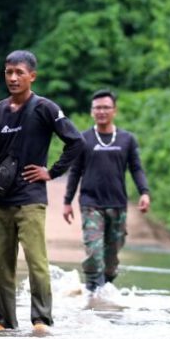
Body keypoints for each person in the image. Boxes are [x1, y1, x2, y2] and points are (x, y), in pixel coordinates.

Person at [0, 50, 84, 334]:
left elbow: (76, 142)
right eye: (8, 72)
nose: (13, 77)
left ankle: (41, 320)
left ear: (32, 76)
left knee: (37, 263)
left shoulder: (45, 108)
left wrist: (52, 172)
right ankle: (5, 322)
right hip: (1, 201)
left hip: (31, 201)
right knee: (1, 267)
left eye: (19, 72)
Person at [63, 89, 151, 294]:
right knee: (94, 253)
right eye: (97, 108)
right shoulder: (83, 139)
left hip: (117, 205)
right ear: (92, 112)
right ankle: (93, 293)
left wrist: (144, 192)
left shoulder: (127, 139)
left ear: (114, 111)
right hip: (90, 203)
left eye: (106, 107)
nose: (101, 111)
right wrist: (67, 201)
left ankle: (105, 291)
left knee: (111, 260)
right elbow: (74, 172)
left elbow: (136, 168)